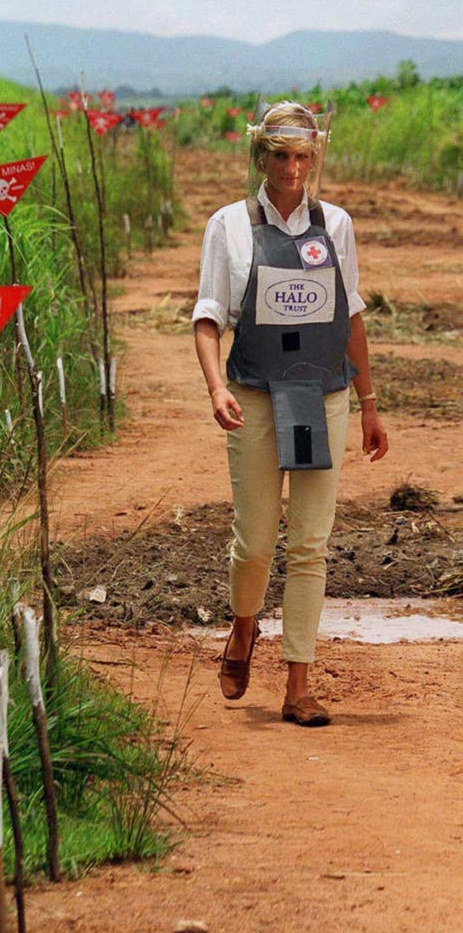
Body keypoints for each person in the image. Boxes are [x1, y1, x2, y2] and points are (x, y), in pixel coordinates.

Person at [193, 101, 388, 727]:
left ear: (315, 158)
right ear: (260, 157)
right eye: (280, 155)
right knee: (254, 541)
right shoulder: (228, 225)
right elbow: (207, 318)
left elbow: (349, 317)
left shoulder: (337, 226)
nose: (292, 168)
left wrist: (369, 403)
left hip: (321, 397)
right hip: (252, 395)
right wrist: (214, 387)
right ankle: (244, 625)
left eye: (303, 156)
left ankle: (299, 683)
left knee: (309, 543)